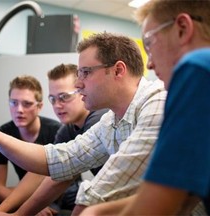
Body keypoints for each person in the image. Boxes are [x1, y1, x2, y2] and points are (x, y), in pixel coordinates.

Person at [0, 32, 167, 215]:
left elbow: (99, 193)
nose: (78, 83)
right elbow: (61, 161)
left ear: (118, 70)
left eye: (86, 72)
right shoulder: (110, 121)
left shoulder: (156, 104)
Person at [80, 0, 210, 215]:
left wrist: (93, 211)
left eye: (149, 43)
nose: (148, 64)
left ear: (183, 29)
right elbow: (183, 195)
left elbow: (157, 206)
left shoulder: (197, 67)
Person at [0, 64, 107, 215]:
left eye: (64, 97)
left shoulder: (99, 120)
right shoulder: (67, 130)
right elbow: (48, 170)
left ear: (82, 91)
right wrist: (1, 211)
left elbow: (63, 174)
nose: (57, 105)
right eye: (53, 99)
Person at [0, 75, 61, 202]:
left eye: (27, 104)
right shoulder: (2, 134)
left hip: (63, 196)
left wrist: (33, 205)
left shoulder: (57, 132)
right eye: (13, 103)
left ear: (39, 107)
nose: (19, 110)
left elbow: (58, 184)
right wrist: (28, 206)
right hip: (29, 197)